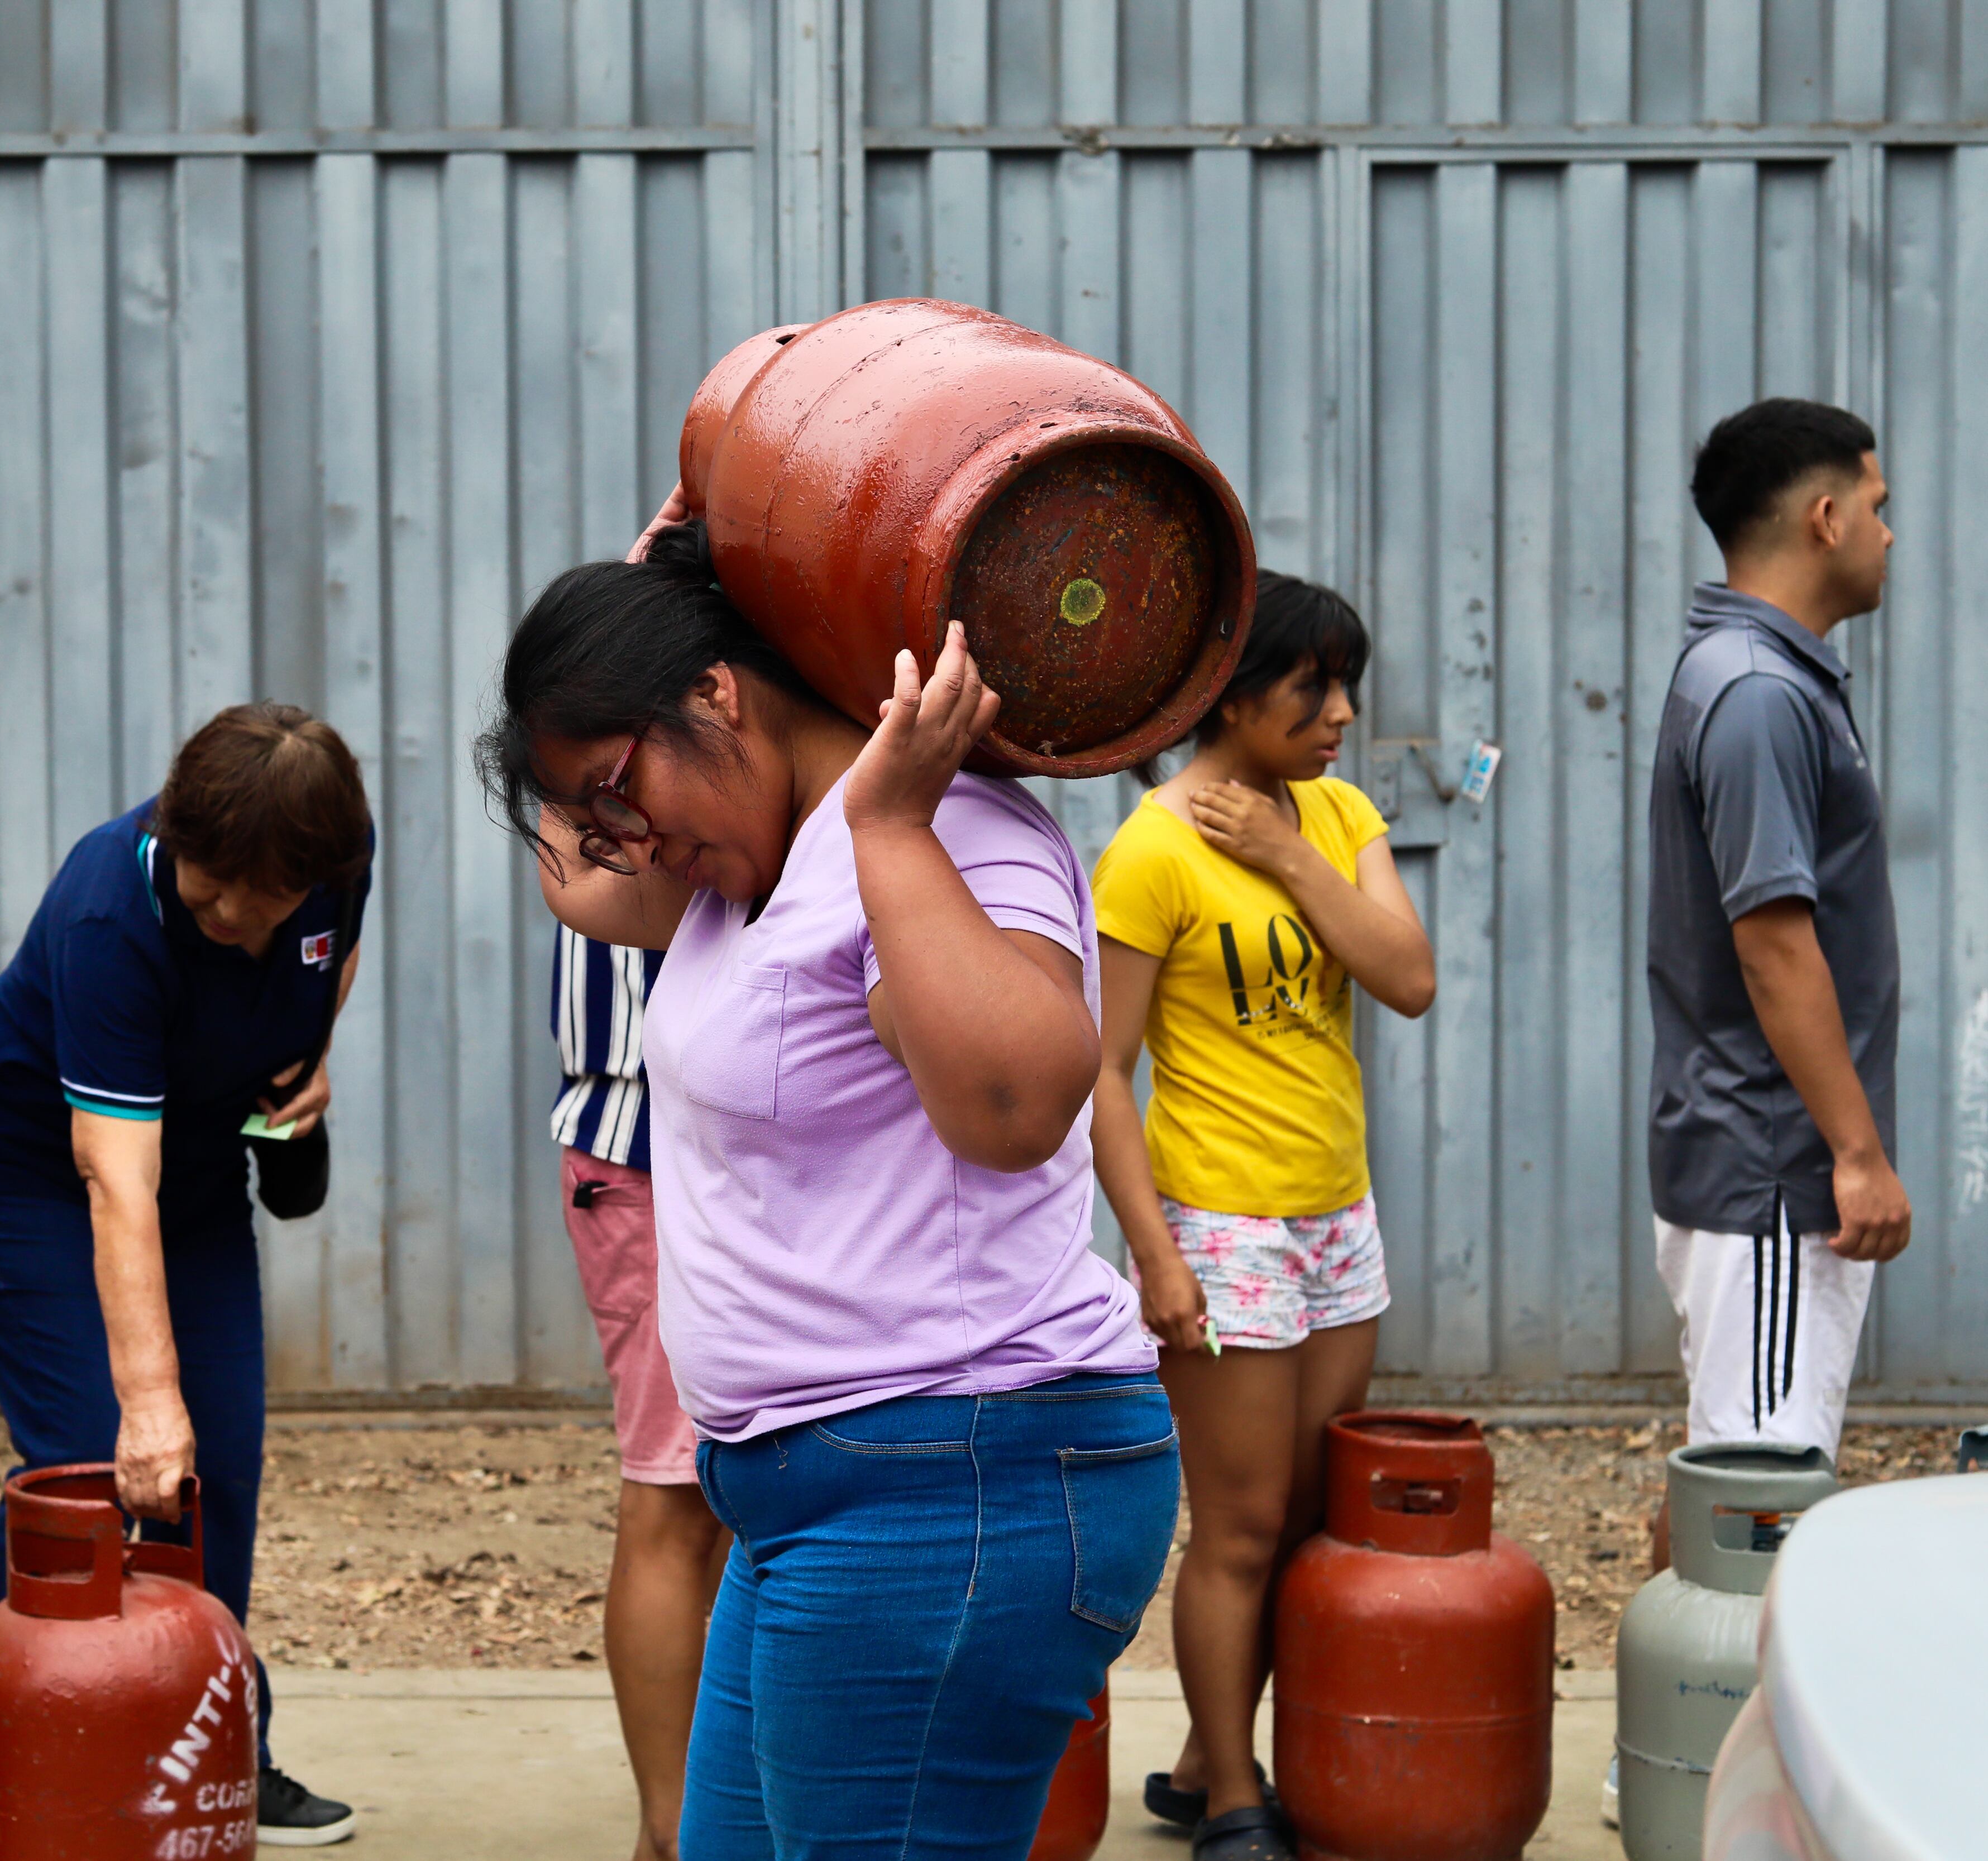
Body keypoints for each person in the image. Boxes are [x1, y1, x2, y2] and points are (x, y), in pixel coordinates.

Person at [480, 505, 1178, 1861]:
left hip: (957, 1478)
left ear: (718, 695)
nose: (615, 836)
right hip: (817, 1495)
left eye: (622, 786)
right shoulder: (732, 864)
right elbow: (583, 883)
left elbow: (1021, 1105)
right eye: (592, 808)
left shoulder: (957, 830)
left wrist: (897, 821)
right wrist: (646, 606)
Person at [0, 703, 372, 1852]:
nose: (216, 908)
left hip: (197, 1175)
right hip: (29, 1180)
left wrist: (311, 1060)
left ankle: (215, 1745)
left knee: (214, 1464)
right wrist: (147, 1392)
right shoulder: (109, 910)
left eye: (248, 895)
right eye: (203, 879)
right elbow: (110, 1175)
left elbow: (337, 947)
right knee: (93, 1457)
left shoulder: (335, 869)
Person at [1086, 574, 1435, 1861]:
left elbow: (1406, 977)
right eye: (1313, 687)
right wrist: (1153, 1251)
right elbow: (1099, 1074)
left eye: (1345, 685)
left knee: (1302, 1512)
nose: (1340, 712)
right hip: (1222, 1224)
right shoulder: (1150, 849)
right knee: (1235, 1526)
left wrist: (1291, 850)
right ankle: (1237, 1795)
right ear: (1230, 695)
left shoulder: (1337, 815)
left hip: (1335, 1214)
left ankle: (1199, 1754)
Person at [1648, 400, 1905, 1462]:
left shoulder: (1764, 676)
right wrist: (1856, 1154)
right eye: (1881, 509)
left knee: (1739, 1478)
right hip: (1774, 1172)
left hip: (1769, 1165)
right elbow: (1773, 942)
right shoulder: (1757, 692)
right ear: (1829, 517)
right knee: (1760, 1499)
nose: (1892, 535)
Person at [552, 923, 728, 1861]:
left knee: (757, 1487)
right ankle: (673, 1832)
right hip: (653, 1139)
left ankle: (719, 1816)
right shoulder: (625, 791)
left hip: (755, 1136)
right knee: (672, 1491)